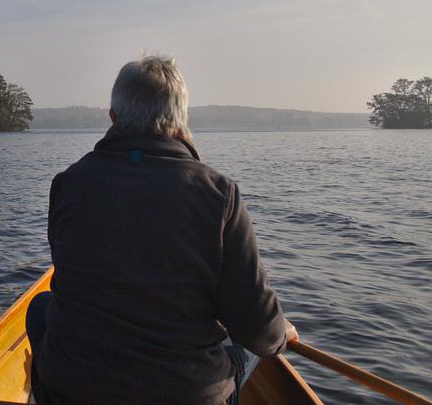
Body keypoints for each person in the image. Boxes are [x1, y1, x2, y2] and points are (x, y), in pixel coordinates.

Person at [26, 56, 298, 405]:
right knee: (250, 343)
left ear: (113, 116)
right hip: (181, 394)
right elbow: (258, 329)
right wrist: (280, 335)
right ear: (181, 119)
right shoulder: (219, 195)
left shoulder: (68, 183)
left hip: (70, 391)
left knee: (40, 306)